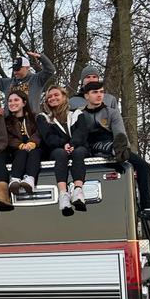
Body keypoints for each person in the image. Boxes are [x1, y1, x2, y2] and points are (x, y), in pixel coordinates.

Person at [80, 80, 150, 223]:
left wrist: (120, 146)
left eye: (102, 92)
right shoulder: (80, 114)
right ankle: (114, 151)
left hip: (114, 143)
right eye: (95, 92)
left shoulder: (112, 112)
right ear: (86, 96)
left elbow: (120, 133)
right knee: (98, 145)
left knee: (143, 166)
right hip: (90, 146)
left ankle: (148, 208)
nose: (99, 95)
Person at [37, 84, 92, 216]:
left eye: (56, 95)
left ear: (64, 97)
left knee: (78, 152)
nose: (53, 98)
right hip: (56, 149)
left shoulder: (77, 114)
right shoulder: (43, 118)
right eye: (49, 97)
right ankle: (63, 195)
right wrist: (63, 145)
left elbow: (82, 132)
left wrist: (73, 144)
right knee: (60, 154)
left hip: (78, 147)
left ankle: (78, 191)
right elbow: (48, 137)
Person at [0, 51, 55, 115]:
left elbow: (50, 70)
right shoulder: (8, 83)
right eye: (14, 69)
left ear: (27, 67)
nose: (15, 72)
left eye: (18, 69)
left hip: (31, 121)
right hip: (10, 122)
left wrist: (41, 57)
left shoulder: (37, 79)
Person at [4, 88, 42, 196]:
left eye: (16, 100)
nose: (12, 103)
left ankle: (30, 179)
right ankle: (15, 179)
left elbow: (40, 132)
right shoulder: (6, 121)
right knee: (22, 152)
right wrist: (19, 145)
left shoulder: (35, 117)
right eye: (10, 101)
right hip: (16, 150)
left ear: (24, 102)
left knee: (34, 151)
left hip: (35, 148)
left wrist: (32, 143)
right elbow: (7, 137)